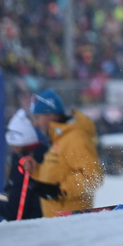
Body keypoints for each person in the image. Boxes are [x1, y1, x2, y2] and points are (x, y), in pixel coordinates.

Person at [24, 88, 104, 217]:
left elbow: (93, 177)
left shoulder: (75, 138)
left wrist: (60, 191)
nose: (35, 123)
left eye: (37, 117)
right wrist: (36, 171)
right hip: (58, 222)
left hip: (71, 224)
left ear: (50, 114)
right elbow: (57, 176)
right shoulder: (60, 140)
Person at [0, 109, 48, 221]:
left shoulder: (24, 164)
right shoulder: (46, 155)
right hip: (45, 219)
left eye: (13, 145)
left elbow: (15, 210)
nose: (12, 149)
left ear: (19, 143)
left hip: (30, 228)